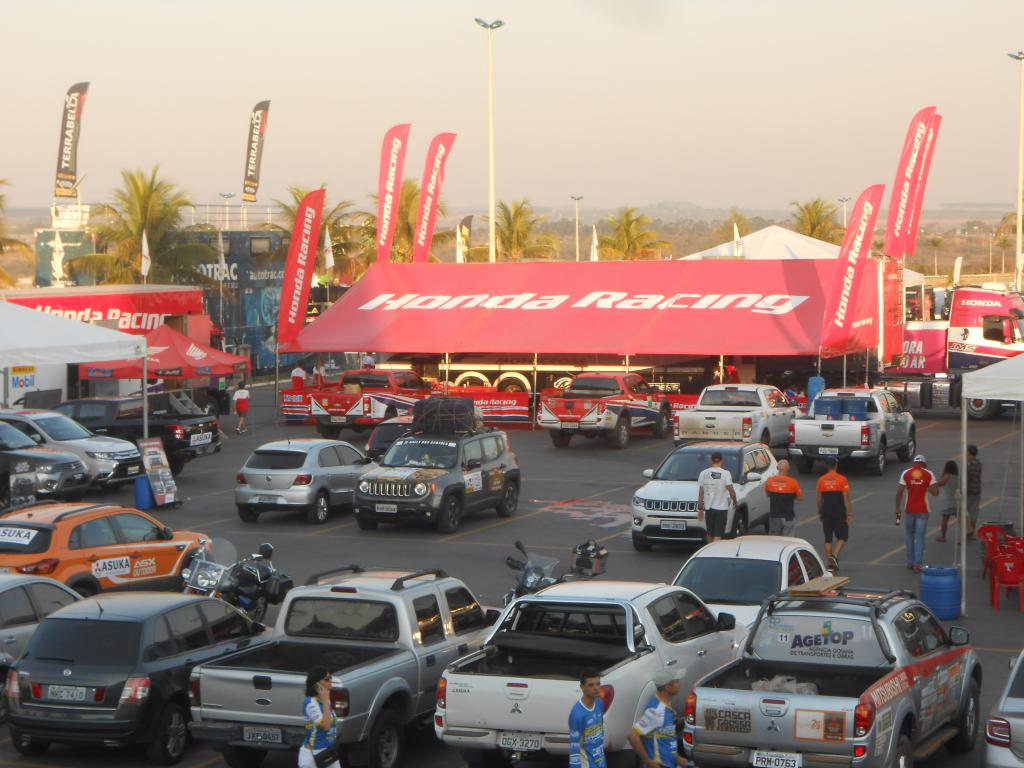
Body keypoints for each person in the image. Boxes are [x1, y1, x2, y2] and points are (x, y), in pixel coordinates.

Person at [627, 667, 686, 768]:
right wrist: (648, 761)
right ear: (667, 686)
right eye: (676, 681)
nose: (680, 683)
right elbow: (632, 736)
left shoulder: (666, 704)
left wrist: (677, 758)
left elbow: (665, 736)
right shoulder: (656, 710)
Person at [896, 455, 939, 573]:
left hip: (909, 510)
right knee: (920, 537)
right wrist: (926, 486)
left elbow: (899, 491)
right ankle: (917, 564)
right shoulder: (929, 474)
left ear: (914, 463)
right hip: (923, 511)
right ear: (924, 464)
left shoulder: (906, 473)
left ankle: (910, 561)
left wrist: (897, 509)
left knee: (909, 535)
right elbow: (936, 492)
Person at [300, 666, 340, 768]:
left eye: (330, 678)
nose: (330, 681)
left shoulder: (325, 699)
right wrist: (326, 702)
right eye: (326, 679)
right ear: (316, 684)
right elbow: (326, 726)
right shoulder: (311, 703)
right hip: (313, 754)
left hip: (329, 750)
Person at [816, 458, 851, 573]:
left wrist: (820, 511)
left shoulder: (821, 480)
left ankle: (830, 565)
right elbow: (846, 497)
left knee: (828, 538)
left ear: (826, 466)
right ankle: (834, 556)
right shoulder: (842, 479)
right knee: (843, 536)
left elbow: (819, 499)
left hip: (826, 511)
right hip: (839, 511)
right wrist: (849, 513)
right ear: (836, 466)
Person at [569, 667, 606, 768]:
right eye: (591, 685)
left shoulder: (599, 703)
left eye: (598, 684)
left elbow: (600, 734)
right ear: (582, 687)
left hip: (600, 762)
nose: (596, 688)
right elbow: (574, 747)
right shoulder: (577, 714)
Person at [697, 452, 737, 543]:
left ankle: (709, 549)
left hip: (708, 508)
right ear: (722, 461)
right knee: (718, 534)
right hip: (721, 508)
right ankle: (715, 550)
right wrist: (735, 500)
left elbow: (701, 493)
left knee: (709, 533)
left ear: (711, 460)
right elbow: (731, 490)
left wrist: (700, 509)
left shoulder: (703, 473)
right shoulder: (725, 473)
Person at [766, 459, 803, 536]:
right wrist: (791, 495)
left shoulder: (770, 481)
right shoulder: (793, 482)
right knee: (788, 539)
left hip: (774, 516)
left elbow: (768, 494)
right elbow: (800, 498)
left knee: (774, 540)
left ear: (777, 468)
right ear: (788, 468)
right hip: (788, 516)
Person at [935, 460, 959, 542]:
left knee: (945, 519)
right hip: (956, 501)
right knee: (959, 519)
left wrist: (942, 474)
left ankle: (943, 536)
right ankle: (963, 534)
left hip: (947, 501)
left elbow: (938, 484)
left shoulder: (946, 476)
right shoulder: (957, 477)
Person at [966, 444, 982, 539]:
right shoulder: (979, 463)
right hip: (977, 490)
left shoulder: (968, 464)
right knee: (973, 511)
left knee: (961, 511)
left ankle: (968, 530)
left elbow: (966, 477)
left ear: (969, 452)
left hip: (969, 491)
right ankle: (972, 531)